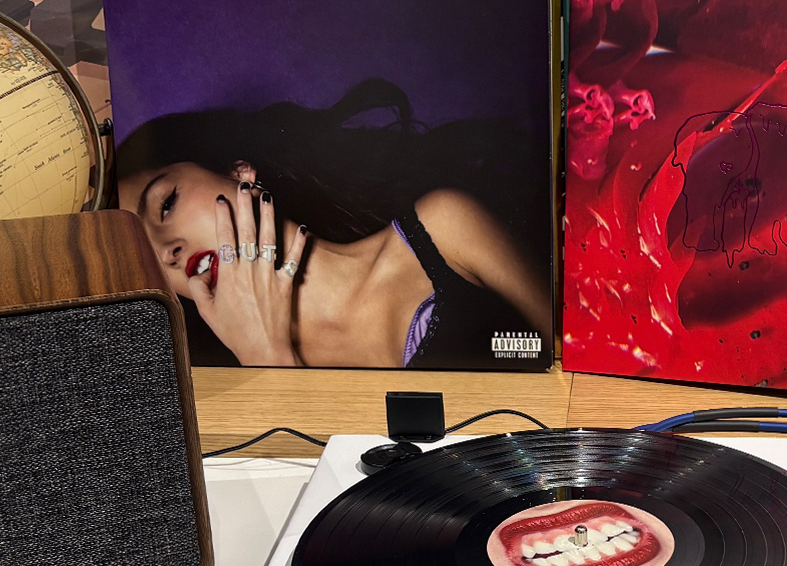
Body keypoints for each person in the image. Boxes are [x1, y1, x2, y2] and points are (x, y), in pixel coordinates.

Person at [113, 79, 552, 368]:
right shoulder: (219, 384)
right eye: (141, 257)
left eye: (166, 204)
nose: (166, 250)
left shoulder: (444, 228)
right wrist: (266, 358)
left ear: (239, 172)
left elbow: (582, 379)